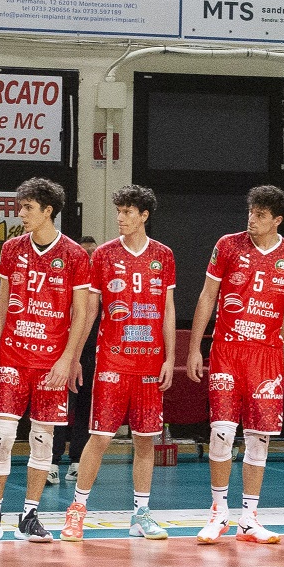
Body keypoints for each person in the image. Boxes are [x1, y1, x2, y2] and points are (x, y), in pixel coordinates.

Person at [0, 178, 93, 544]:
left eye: (28, 207)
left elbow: (81, 313)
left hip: (51, 362)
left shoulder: (74, 254)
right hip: (13, 356)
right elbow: (2, 303)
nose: (21, 213)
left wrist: (68, 359)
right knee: (2, 436)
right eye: (20, 206)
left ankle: (29, 515)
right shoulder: (12, 248)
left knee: (42, 439)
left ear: (48, 210)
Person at [187, 184, 284, 546]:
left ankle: (249, 519)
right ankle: (218, 513)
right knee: (222, 432)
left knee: (259, 439)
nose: (252, 219)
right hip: (227, 350)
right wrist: (194, 348)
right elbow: (207, 296)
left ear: (277, 220)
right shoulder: (228, 245)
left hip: (267, 357)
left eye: (260, 215)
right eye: (250, 212)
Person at [61, 187, 176, 542]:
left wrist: (171, 357)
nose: (120, 218)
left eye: (127, 212)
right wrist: (75, 355)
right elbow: (89, 311)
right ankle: (77, 510)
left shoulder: (164, 255)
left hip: (150, 363)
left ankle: (141, 514)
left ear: (144, 215)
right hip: (112, 361)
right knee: (99, 437)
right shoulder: (104, 254)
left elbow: (168, 309)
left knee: (145, 442)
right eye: (119, 211)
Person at [52, 235, 102, 486]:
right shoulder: (65, 280)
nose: (90, 257)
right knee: (60, 407)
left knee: (86, 407)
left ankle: (77, 461)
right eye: (85, 253)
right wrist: (69, 356)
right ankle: (52, 462)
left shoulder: (102, 283)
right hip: (65, 352)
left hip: (93, 353)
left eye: (93, 252)